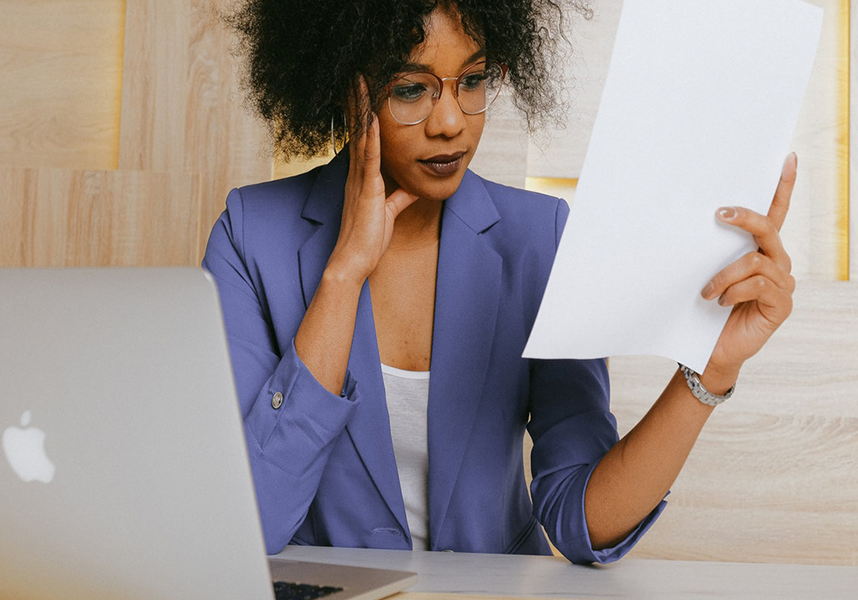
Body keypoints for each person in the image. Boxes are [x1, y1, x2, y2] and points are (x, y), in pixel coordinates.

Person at [203, 0, 796, 564]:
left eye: (474, 79)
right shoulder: (251, 236)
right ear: (343, 85)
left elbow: (581, 522)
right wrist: (344, 273)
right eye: (410, 89)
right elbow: (252, 520)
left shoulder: (539, 239)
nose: (450, 122)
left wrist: (709, 370)